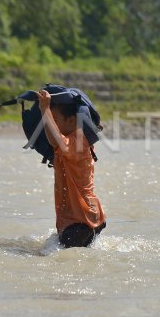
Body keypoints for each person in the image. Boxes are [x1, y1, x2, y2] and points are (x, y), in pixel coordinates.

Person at [38, 89, 106, 248]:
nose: (52, 123)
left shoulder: (79, 142)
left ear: (72, 121)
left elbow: (56, 140)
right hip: (81, 219)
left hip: (80, 220)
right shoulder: (73, 143)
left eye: (55, 119)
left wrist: (45, 109)